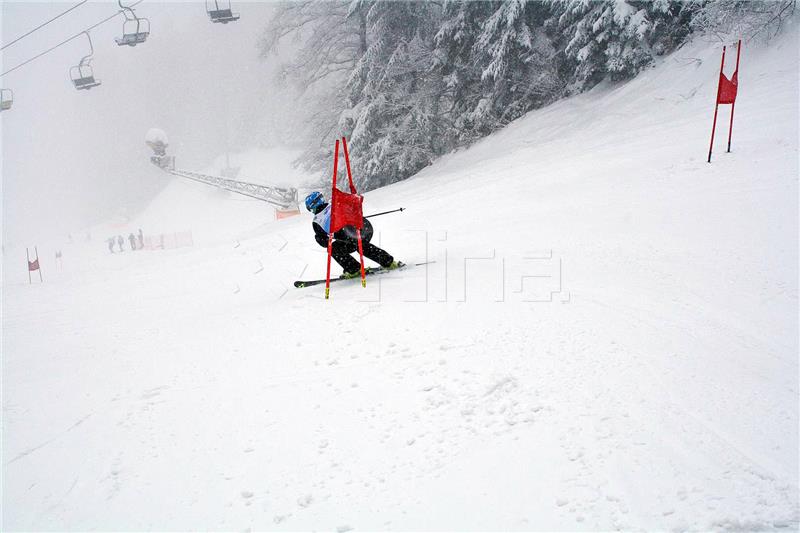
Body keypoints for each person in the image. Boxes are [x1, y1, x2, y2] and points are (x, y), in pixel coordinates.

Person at [305, 191, 398, 278]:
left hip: (354, 233)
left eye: (310, 209)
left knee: (348, 246)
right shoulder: (334, 204)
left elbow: (324, 243)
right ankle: (384, 262)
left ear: (313, 205)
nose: (312, 211)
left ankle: (358, 268)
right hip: (362, 230)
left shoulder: (319, 219)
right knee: (352, 246)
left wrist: (319, 238)